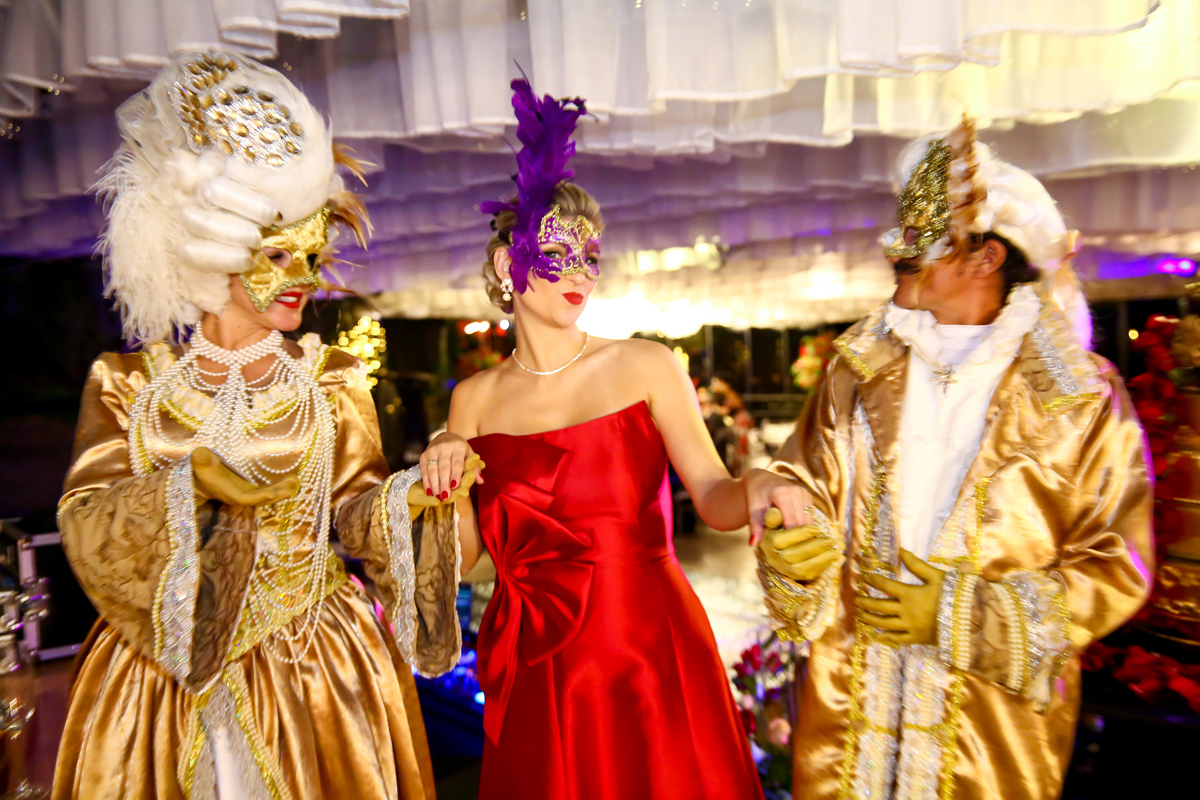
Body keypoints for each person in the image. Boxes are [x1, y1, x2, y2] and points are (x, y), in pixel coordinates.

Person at [53, 51, 465, 800]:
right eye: (278, 255)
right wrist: (187, 487)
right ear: (216, 251)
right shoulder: (128, 383)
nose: (305, 276)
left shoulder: (331, 376)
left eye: (313, 253)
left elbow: (352, 509)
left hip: (314, 666)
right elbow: (87, 520)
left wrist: (411, 498)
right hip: (160, 677)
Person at [757, 118, 1155, 800]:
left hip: (988, 727)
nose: (897, 248)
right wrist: (792, 546)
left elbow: (1118, 562)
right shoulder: (857, 369)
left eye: (924, 236)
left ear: (985, 258)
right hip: (852, 705)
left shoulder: (1079, 396)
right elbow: (803, 487)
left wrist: (959, 616)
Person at [419, 79, 794, 800]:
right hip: (535, 664)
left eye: (591, 256)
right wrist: (443, 477)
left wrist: (761, 483)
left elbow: (713, 496)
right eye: (559, 252)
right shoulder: (473, 400)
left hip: (647, 649)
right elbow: (466, 561)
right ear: (506, 265)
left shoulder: (646, 365)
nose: (580, 274)